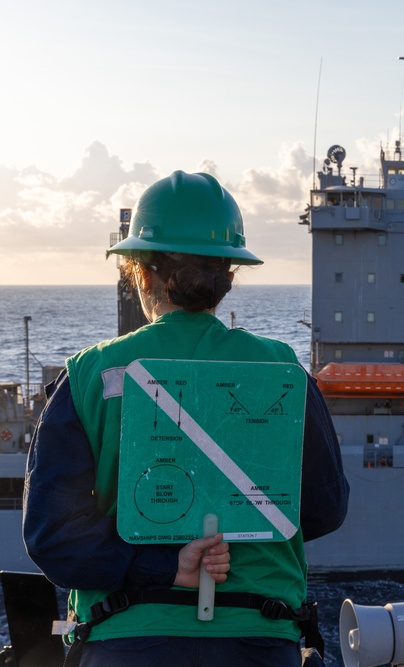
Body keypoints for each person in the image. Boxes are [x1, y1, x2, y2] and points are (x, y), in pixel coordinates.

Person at [22, 170, 350, 666]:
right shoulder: (284, 369)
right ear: (229, 275)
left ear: (140, 271)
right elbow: (325, 508)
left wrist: (163, 564)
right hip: (260, 641)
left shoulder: (91, 374)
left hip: (127, 641)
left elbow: (54, 537)